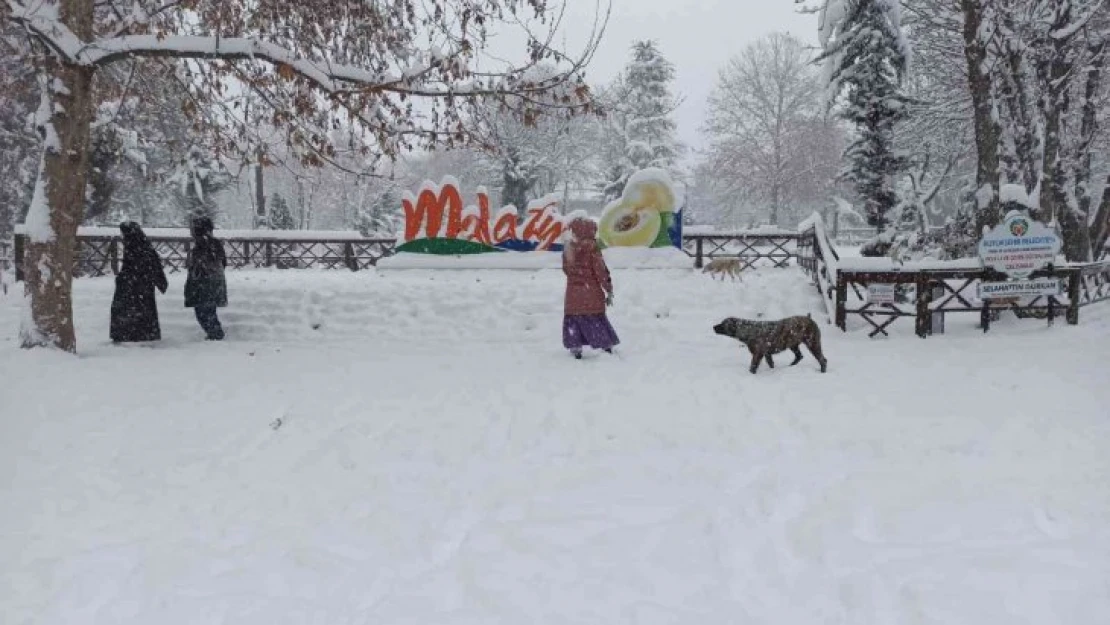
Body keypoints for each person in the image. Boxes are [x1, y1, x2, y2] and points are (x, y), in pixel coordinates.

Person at [561, 217, 619, 359]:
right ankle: (605, 345)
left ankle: (575, 347)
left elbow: (566, 270)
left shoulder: (568, 248)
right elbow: (601, 272)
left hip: (573, 296)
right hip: (591, 294)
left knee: (574, 321)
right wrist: (609, 288)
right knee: (595, 320)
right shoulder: (593, 248)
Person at [110, 222, 168, 343]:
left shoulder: (133, 246)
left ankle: (128, 333)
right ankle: (143, 333)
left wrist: (124, 278)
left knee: (128, 309)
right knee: (142, 309)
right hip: (142, 284)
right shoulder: (143, 245)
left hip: (133, 284)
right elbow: (154, 264)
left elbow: (134, 265)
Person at [185, 216, 228, 340]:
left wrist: (197, 272)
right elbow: (223, 262)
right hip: (212, 282)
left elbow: (197, 264)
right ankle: (214, 332)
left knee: (203, 311)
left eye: (193, 229)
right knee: (208, 310)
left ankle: (215, 333)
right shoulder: (214, 243)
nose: (191, 231)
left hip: (203, 284)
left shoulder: (202, 244)